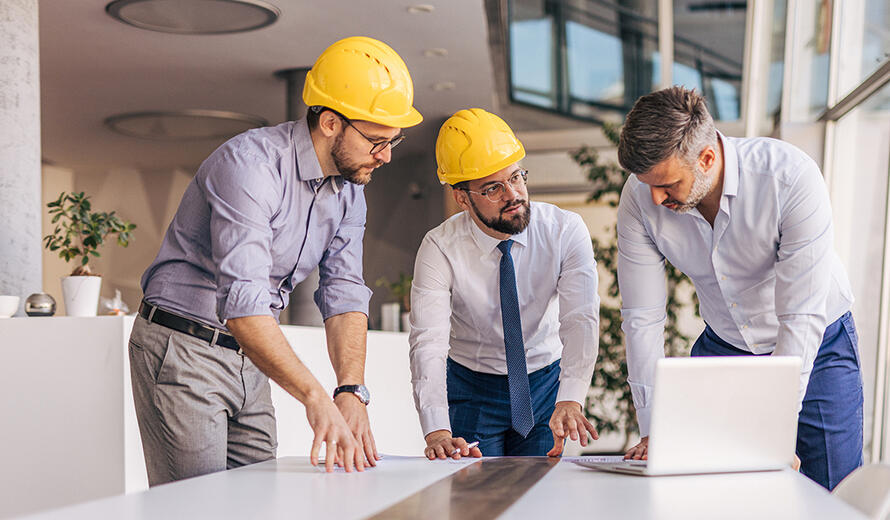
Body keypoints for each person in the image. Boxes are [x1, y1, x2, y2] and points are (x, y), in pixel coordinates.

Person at [129, 36, 423, 485]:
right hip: (184, 346)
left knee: (260, 500)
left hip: (248, 354)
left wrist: (349, 390)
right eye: (376, 141)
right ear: (329, 122)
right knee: (197, 509)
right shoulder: (250, 165)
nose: (384, 156)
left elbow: (343, 291)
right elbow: (244, 303)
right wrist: (314, 396)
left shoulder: (349, 191)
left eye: (393, 142)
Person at [616, 86, 862, 490]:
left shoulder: (788, 177)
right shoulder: (640, 197)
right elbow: (642, 318)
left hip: (818, 345)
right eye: (647, 185)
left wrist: (776, 426)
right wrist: (651, 425)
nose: (656, 199)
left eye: (668, 185)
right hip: (726, 346)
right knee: (716, 490)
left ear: (707, 158)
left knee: (833, 489)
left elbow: (800, 316)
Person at [409, 108, 601, 459]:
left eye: (516, 177)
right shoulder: (439, 247)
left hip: (545, 386)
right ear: (462, 197)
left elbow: (580, 319)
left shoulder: (564, 230)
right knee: (476, 500)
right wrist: (436, 429)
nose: (513, 194)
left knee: (542, 498)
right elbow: (429, 342)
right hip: (473, 387)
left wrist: (571, 396)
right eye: (493, 188)